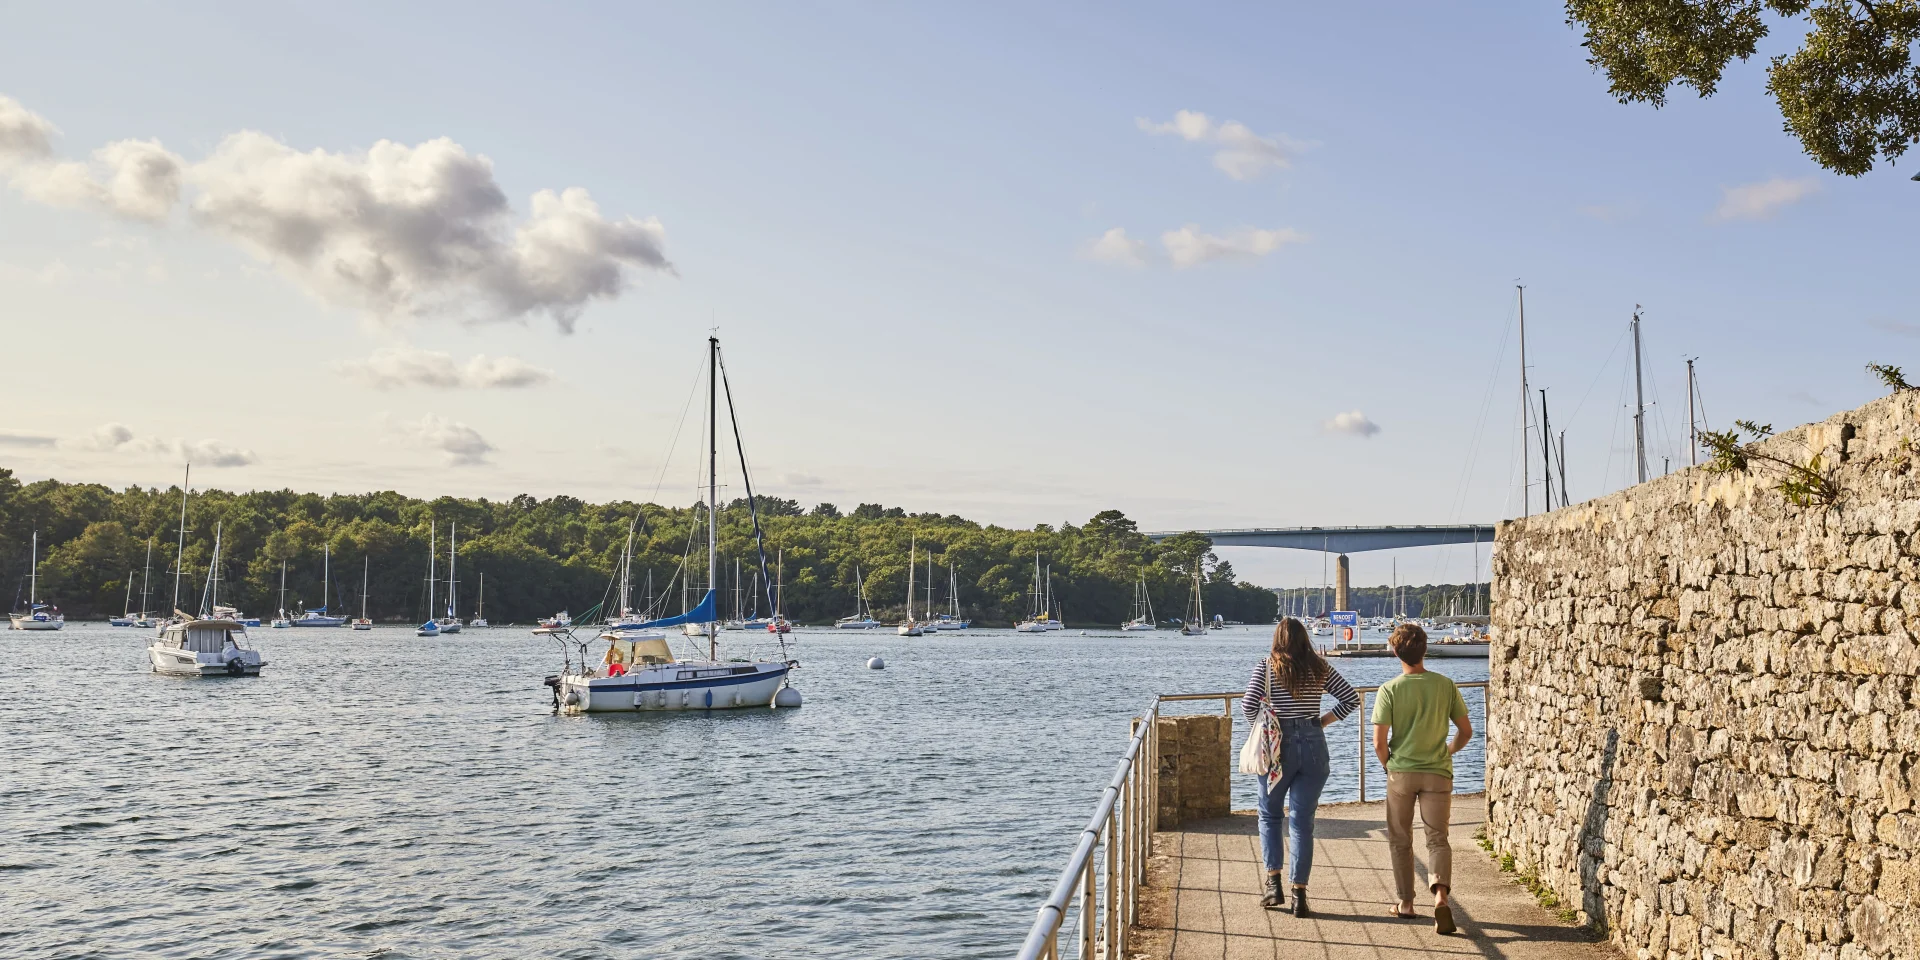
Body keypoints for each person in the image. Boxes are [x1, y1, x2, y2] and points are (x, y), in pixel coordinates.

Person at [1240, 617, 1360, 917]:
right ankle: (1299, 895)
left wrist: (1266, 725)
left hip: (1278, 748)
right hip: (1313, 744)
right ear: (1305, 638)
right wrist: (1320, 722)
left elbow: (1247, 706)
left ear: (1278, 638)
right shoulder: (1320, 667)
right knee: (1302, 821)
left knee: (1269, 815)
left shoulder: (1267, 666)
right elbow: (1350, 699)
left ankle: (1273, 884)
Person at [1372, 623, 1473, 934]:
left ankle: (1405, 904)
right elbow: (1466, 731)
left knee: (1401, 840)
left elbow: (1379, 742)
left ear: (1395, 652)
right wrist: (1446, 752)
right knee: (1437, 839)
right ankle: (1440, 897)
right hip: (1437, 772)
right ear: (1424, 650)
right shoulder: (1445, 685)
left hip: (1401, 773)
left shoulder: (1389, 690)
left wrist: (1390, 766)